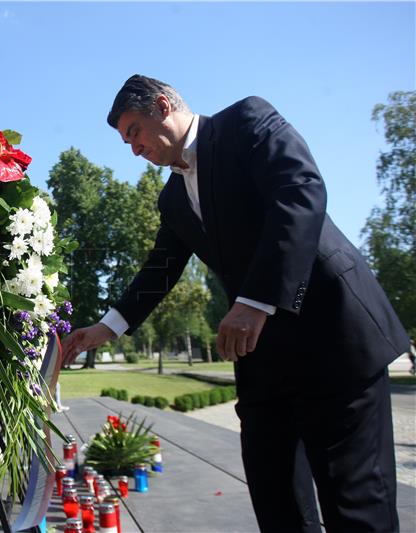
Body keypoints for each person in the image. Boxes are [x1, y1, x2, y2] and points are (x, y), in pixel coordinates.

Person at [62, 75, 410, 532]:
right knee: (275, 497)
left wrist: (255, 300)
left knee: (355, 502)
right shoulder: (172, 197)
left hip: (335, 339)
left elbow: (300, 192)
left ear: (163, 106)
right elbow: (160, 269)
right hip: (262, 361)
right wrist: (104, 329)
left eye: (134, 132)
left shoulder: (247, 121)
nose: (134, 149)